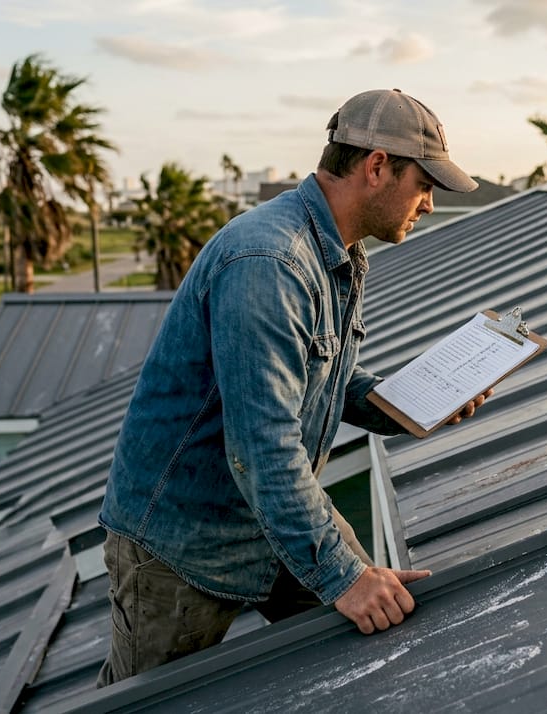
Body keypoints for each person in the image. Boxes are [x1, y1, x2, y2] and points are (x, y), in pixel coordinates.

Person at [96, 89, 484, 686]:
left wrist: (413, 402)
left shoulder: (338, 253)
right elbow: (264, 449)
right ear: (377, 167)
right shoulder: (269, 262)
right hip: (182, 542)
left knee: (386, 618)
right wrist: (345, 578)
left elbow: (323, 378)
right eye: (424, 184)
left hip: (270, 512)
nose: (429, 204)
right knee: (144, 703)